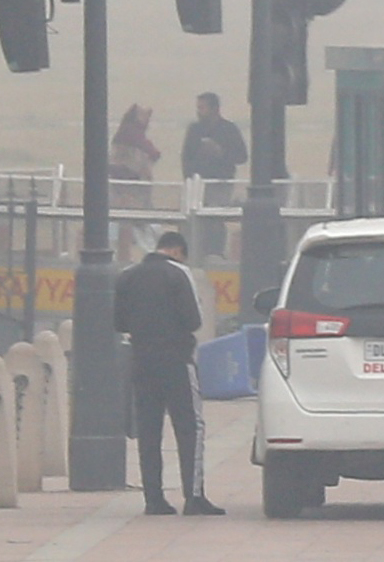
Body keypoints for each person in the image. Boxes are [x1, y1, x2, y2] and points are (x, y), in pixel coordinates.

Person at [115, 230, 216, 514]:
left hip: (141, 361)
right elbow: (193, 320)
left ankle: (154, 499)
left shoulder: (127, 276)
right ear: (177, 251)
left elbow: (119, 322)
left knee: (149, 430)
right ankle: (194, 497)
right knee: (190, 427)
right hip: (176, 360)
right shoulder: (179, 273)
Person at [180, 93, 246, 208]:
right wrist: (188, 180)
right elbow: (186, 157)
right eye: (198, 108)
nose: (198, 112)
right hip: (197, 185)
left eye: (202, 108)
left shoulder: (229, 129)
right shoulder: (194, 130)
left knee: (215, 215)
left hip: (221, 183)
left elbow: (242, 156)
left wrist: (221, 152)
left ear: (215, 109)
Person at [111, 103, 161, 181]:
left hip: (123, 173)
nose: (147, 119)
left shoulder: (126, 131)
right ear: (136, 118)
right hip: (127, 174)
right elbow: (152, 151)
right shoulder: (130, 131)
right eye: (143, 115)